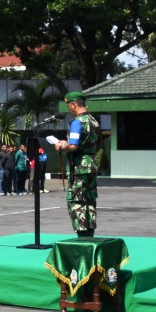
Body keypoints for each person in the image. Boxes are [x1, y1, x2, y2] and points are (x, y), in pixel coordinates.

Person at [55, 91, 101, 237]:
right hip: (91, 165)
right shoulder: (94, 121)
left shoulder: (77, 122)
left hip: (79, 167)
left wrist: (61, 146)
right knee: (89, 200)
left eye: (69, 105)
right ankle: (90, 233)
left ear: (74, 104)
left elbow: (73, 146)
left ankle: (82, 236)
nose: (69, 108)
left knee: (76, 201)